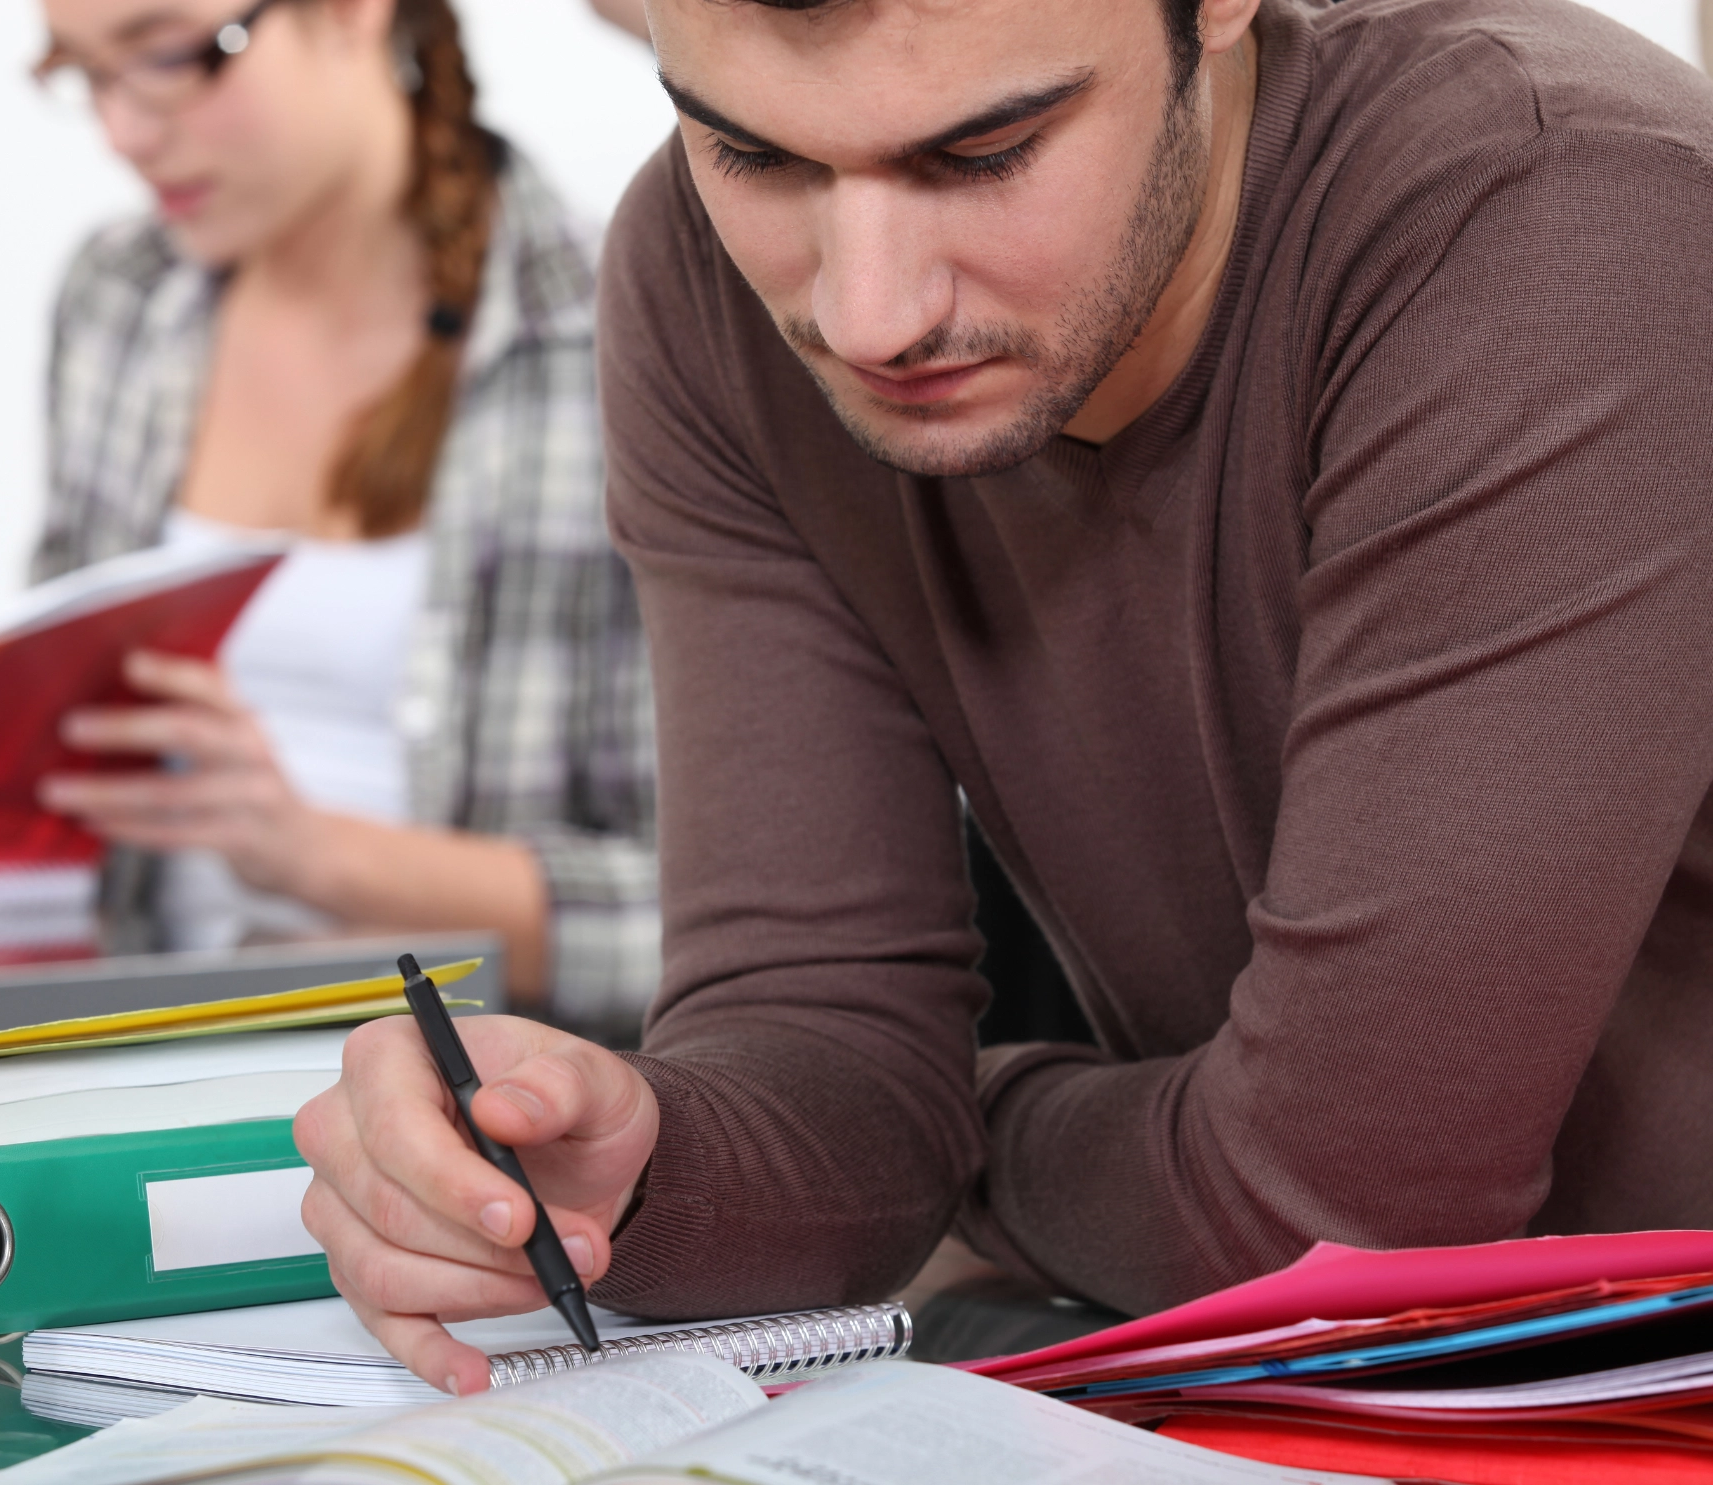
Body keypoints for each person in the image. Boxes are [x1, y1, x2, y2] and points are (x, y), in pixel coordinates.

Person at [294, 0, 1713, 1396]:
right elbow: (817, 1037)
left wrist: (959, 1124)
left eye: (985, 153)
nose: (870, 314)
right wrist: (639, 1161)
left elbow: (1334, 1205)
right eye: (756, 155)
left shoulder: (1561, 216)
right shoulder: (698, 283)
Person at [25, 0, 658, 1027]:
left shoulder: (612, 340)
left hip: (481, 1120)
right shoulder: (119, 300)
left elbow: (728, 930)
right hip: (138, 1079)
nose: (124, 133)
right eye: (83, 72)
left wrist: (313, 853)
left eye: (171, 56)